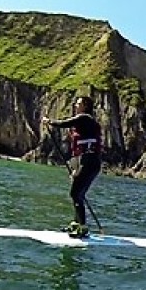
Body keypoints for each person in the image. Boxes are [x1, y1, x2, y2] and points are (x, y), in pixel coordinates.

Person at [42, 96, 102, 238]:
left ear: (86, 106)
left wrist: (49, 121)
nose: (75, 105)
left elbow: (65, 123)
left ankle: (82, 227)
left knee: (75, 194)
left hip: (89, 161)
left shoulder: (85, 118)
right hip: (86, 161)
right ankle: (76, 223)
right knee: (78, 194)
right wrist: (75, 167)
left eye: (79, 103)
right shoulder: (84, 123)